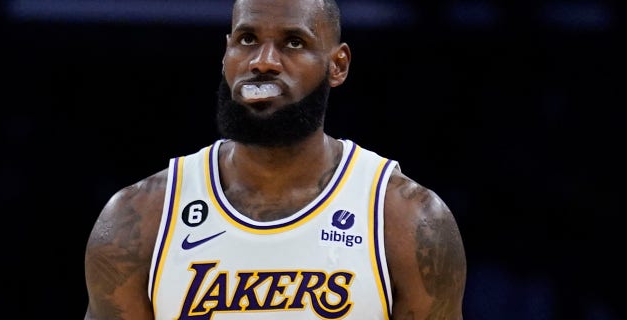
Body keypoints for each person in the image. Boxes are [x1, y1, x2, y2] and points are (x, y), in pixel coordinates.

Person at [83, 0, 467, 319]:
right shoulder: (139, 218)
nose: (263, 62)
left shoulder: (406, 220)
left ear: (338, 65)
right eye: (247, 39)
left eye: (293, 43)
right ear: (225, 55)